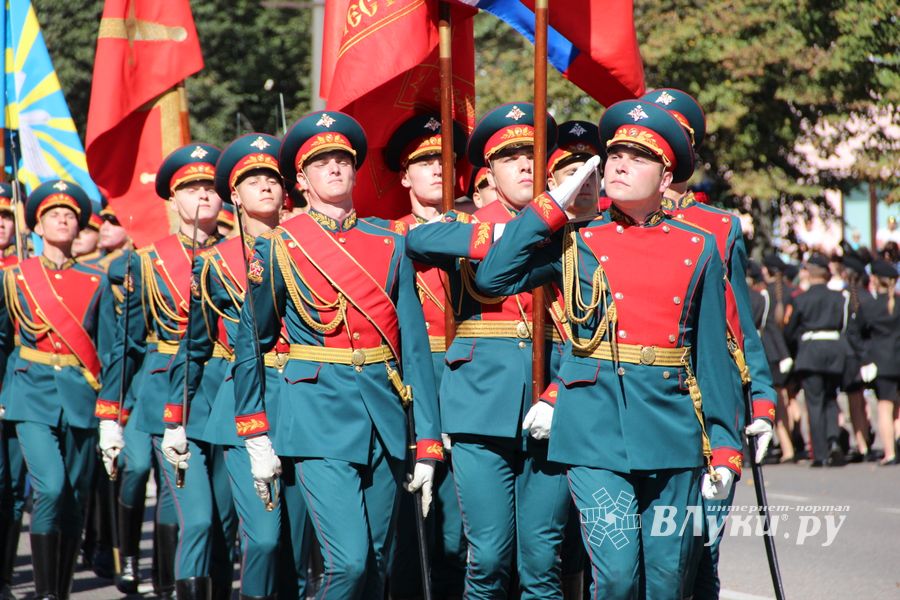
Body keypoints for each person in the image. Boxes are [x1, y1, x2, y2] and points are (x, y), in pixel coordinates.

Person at [473, 99, 743, 599]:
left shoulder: (697, 245)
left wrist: (725, 445)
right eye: (615, 153)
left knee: (666, 581)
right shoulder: (577, 240)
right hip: (594, 427)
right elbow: (492, 277)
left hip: (672, 430)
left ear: (666, 179)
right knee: (616, 578)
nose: (618, 163)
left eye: (638, 158)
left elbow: (711, 355)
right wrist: (549, 207)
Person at [231, 111, 442, 600]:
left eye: (343, 160)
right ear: (301, 181)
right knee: (348, 564)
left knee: (377, 566)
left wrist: (428, 440)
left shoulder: (390, 244)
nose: (335, 168)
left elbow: (413, 349)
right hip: (316, 416)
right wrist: (255, 431)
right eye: (321, 162)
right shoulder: (279, 247)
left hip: (384, 417)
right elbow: (253, 341)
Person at [407, 102, 577, 599]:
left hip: (552, 396)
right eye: (510, 157)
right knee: (488, 559)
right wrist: (526, 228)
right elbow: (419, 240)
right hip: (479, 405)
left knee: (543, 561)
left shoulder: (572, 230)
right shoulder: (464, 226)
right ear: (489, 170)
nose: (525, 165)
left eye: (532, 155)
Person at [643, 88, 775, 598]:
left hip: (711, 405)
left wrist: (759, 400)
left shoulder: (718, 227)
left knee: (700, 549)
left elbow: (739, 323)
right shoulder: (604, 223)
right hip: (644, 401)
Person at [95, 143, 225, 599]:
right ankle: (167, 582)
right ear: (173, 198)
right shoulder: (144, 262)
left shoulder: (239, 254)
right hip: (165, 392)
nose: (203, 194)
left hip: (225, 392)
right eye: (191, 187)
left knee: (215, 518)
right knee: (189, 509)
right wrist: (110, 413)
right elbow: (125, 347)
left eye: (210, 186)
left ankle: (175, 583)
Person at [0, 180, 108, 599]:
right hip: (30, 394)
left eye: (69, 216)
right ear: (38, 227)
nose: (62, 220)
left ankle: (60, 590)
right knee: (50, 486)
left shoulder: (96, 281)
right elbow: (3, 339)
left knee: (76, 498)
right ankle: (45, 592)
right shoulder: (14, 279)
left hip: (80, 396)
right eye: (52, 216)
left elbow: (109, 347)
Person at [383, 113, 468, 599]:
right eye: (423, 161)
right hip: (411, 387)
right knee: (410, 527)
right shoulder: (384, 239)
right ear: (403, 175)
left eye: (444, 159)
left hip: (470, 380)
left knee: (460, 532)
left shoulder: (478, 235)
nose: (437, 169)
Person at [785, 253, 857, 467]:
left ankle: (820, 453)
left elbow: (790, 330)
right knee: (831, 398)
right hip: (834, 351)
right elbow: (845, 326)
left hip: (811, 352)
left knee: (814, 403)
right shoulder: (839, 297)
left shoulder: (801, 298)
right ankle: (833, 440)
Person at [856, 259, 900, 465]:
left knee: (885, 407)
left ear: (875, 280)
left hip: (881, 363)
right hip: (897, 360)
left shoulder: (870, 306)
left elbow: (855, 334)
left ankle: (890, 452)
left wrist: (866, 357)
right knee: (897, 408)